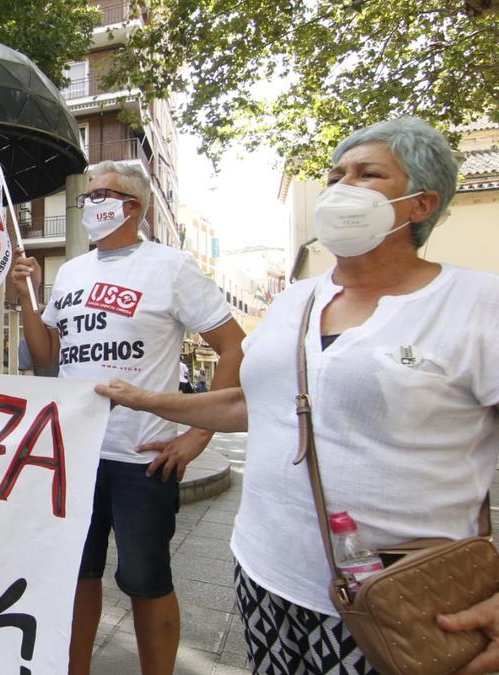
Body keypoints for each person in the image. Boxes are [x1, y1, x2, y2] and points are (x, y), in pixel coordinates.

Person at [96, 117, 499, 675]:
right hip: (266, 577)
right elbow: (254, 403)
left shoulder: (478, 304)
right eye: (335, 175)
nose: (340, 188)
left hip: (399, 597)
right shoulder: (297, 301)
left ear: (421, 203)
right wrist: (145, 400)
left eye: (368, 175)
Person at [11, 161, 245, 675]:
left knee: (146, 580)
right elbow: (46, 356)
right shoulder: (71, 271)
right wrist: (25, 298)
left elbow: (232, 347)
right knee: (79, 574)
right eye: (87, 197)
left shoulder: (173, 267)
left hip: (142, 457)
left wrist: (199, 434)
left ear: (132, 206)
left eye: (100, 195)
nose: (90, 204)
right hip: (75, 453)